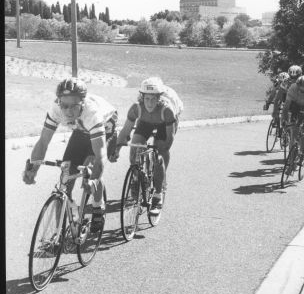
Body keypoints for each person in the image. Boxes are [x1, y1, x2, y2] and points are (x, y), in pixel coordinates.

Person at [22, 77, 118, 232]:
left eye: (74, 106)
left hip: (105, 127)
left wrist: (94, 178)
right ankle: (57, 234)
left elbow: (100, 156)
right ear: (59, 102)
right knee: (66, 176)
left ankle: (98, 206)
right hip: (81, 130)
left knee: (91, 164)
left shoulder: (92, 113)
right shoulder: (56, 109)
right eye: (64, 105)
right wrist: (33, 168)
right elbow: (43, 142)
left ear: (82, 103)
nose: (68, 111)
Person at [111, 77, 183, 215]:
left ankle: (158, 194)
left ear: (159, 99)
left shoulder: (167, 110)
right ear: (142, 97)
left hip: (164, 124)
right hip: (145, 122)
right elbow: (126, 131)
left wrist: (160, 155)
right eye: (147, 99)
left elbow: (169, 139)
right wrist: (117, 149)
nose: (150, 103)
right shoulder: (136, 108)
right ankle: (137, 178)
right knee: (135, 149)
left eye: (153, 99)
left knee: (160, 153)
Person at [272, 65, 302, 137]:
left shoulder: (303, 81)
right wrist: (275, 111)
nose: (293, 80)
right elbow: (277, 99)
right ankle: (285, 131)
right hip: (288, 102)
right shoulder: (285, 82)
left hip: (300, 102)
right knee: (284, 117)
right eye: (292, 77)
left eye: (295, 77)